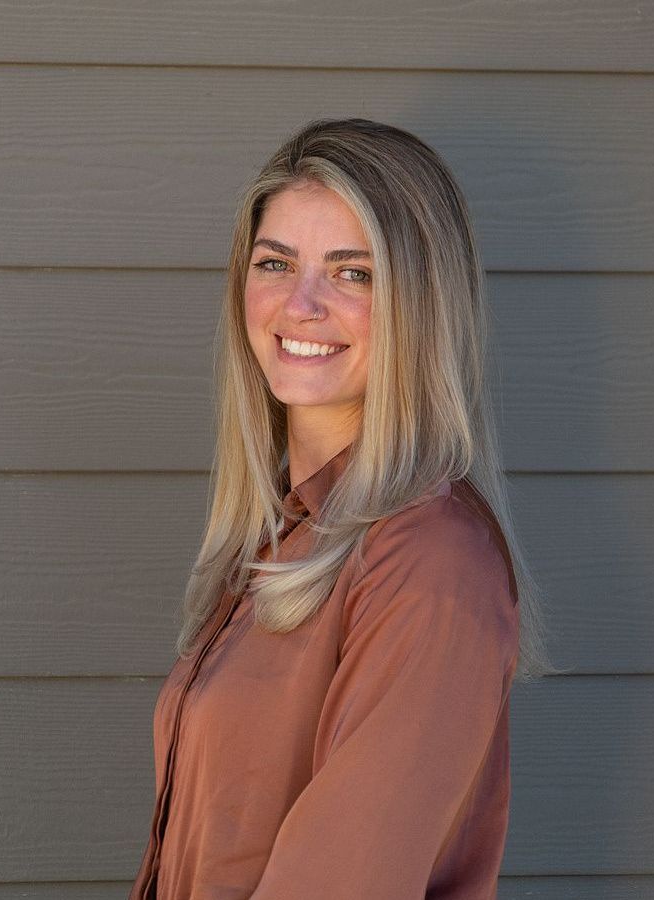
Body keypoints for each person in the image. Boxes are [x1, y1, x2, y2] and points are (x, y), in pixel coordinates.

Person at [129, 117, 554, 900]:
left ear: (419, 304)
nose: (302, 302)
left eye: (353, 273)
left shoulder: (430, 563)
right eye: (275, 262)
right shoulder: (281, 536)